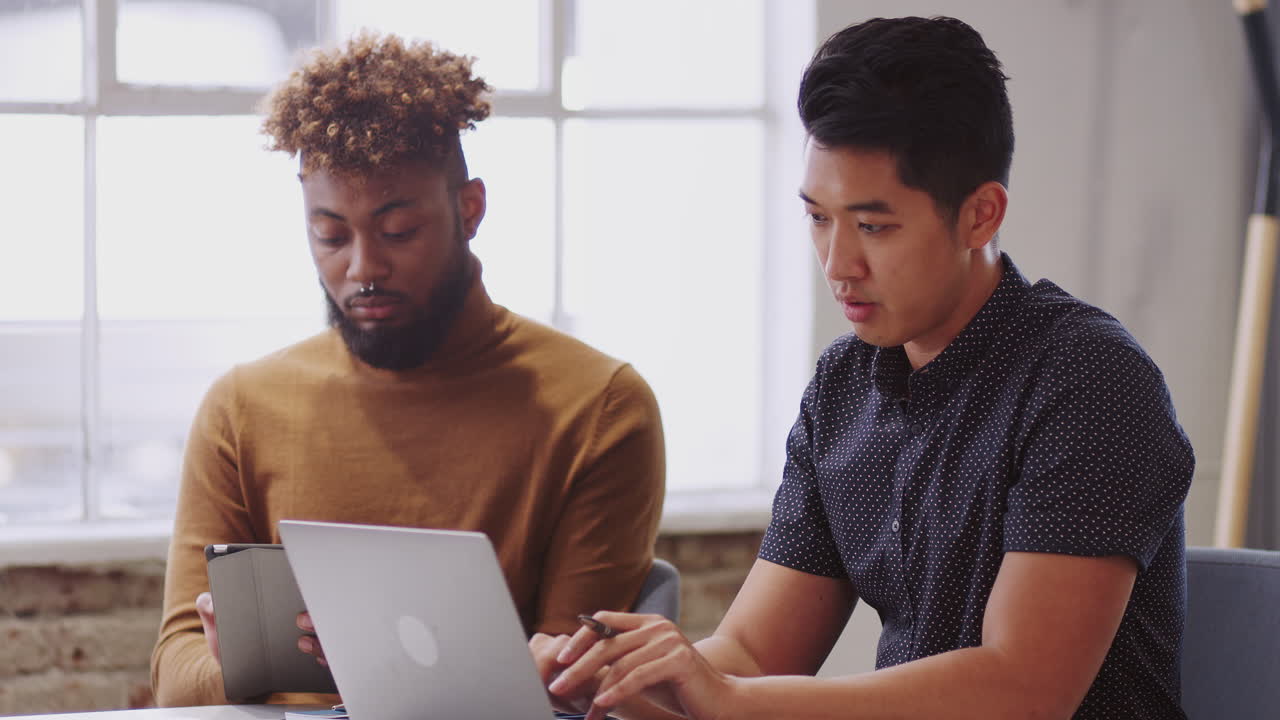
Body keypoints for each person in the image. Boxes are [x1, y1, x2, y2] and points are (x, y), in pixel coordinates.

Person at [533, 16, 1193, 720]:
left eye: (873, 227)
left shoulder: (1091, 380)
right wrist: (618, 682)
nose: (837, 264)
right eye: (818, 218)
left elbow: (1023, 691)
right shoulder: (844, 387)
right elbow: (753, 657)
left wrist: (724, 697)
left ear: (980, 215)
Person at [151, 32, 666, 707]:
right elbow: (174, 676)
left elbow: (572, 694)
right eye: (331, 235)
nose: (362, 268)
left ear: (469, 209)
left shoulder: (596, 407)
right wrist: (252, 665)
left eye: (397, 231)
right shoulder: (244, 407)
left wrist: (371, 662)